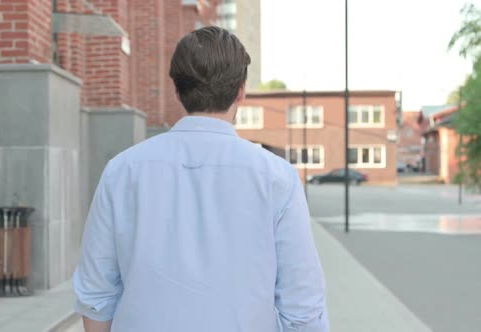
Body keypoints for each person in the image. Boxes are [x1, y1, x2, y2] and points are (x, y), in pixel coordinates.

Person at [73, 26, 329, 332]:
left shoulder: (122, 171)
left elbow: (96, 293)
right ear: (241, 91)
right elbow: (302, 304)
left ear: (177, 91)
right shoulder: (277, 178)